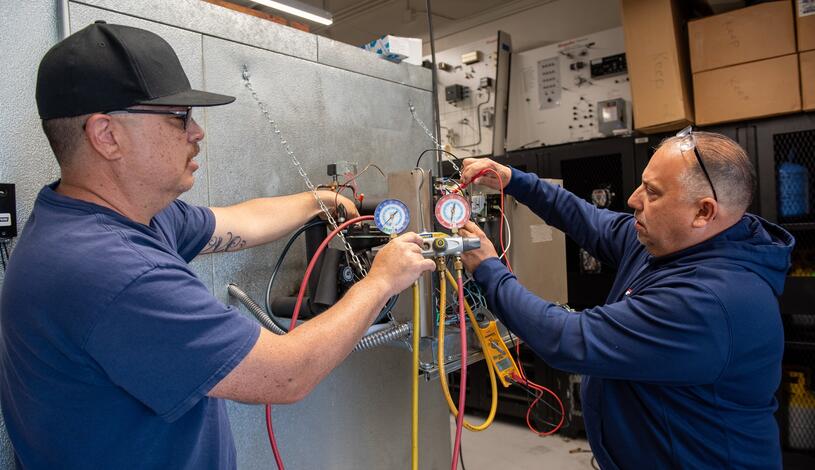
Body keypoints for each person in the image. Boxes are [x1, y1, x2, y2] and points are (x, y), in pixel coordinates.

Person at [0, 21, 436, 469]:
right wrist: (382, 280)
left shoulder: (109, 218)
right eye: (179, 117)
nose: (197, 132)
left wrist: (321, 200)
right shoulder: (112, 271)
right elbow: (287, 374)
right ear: (106, 135)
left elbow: (239, 223)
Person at [458, 131, 793, 469]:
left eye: (652, 192)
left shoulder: (711, 302)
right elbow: (591, 222)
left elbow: (566, 339)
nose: (634, 199)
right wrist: (515, 180)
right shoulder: (674, 241)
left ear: (703, 212)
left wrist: (488, 269)